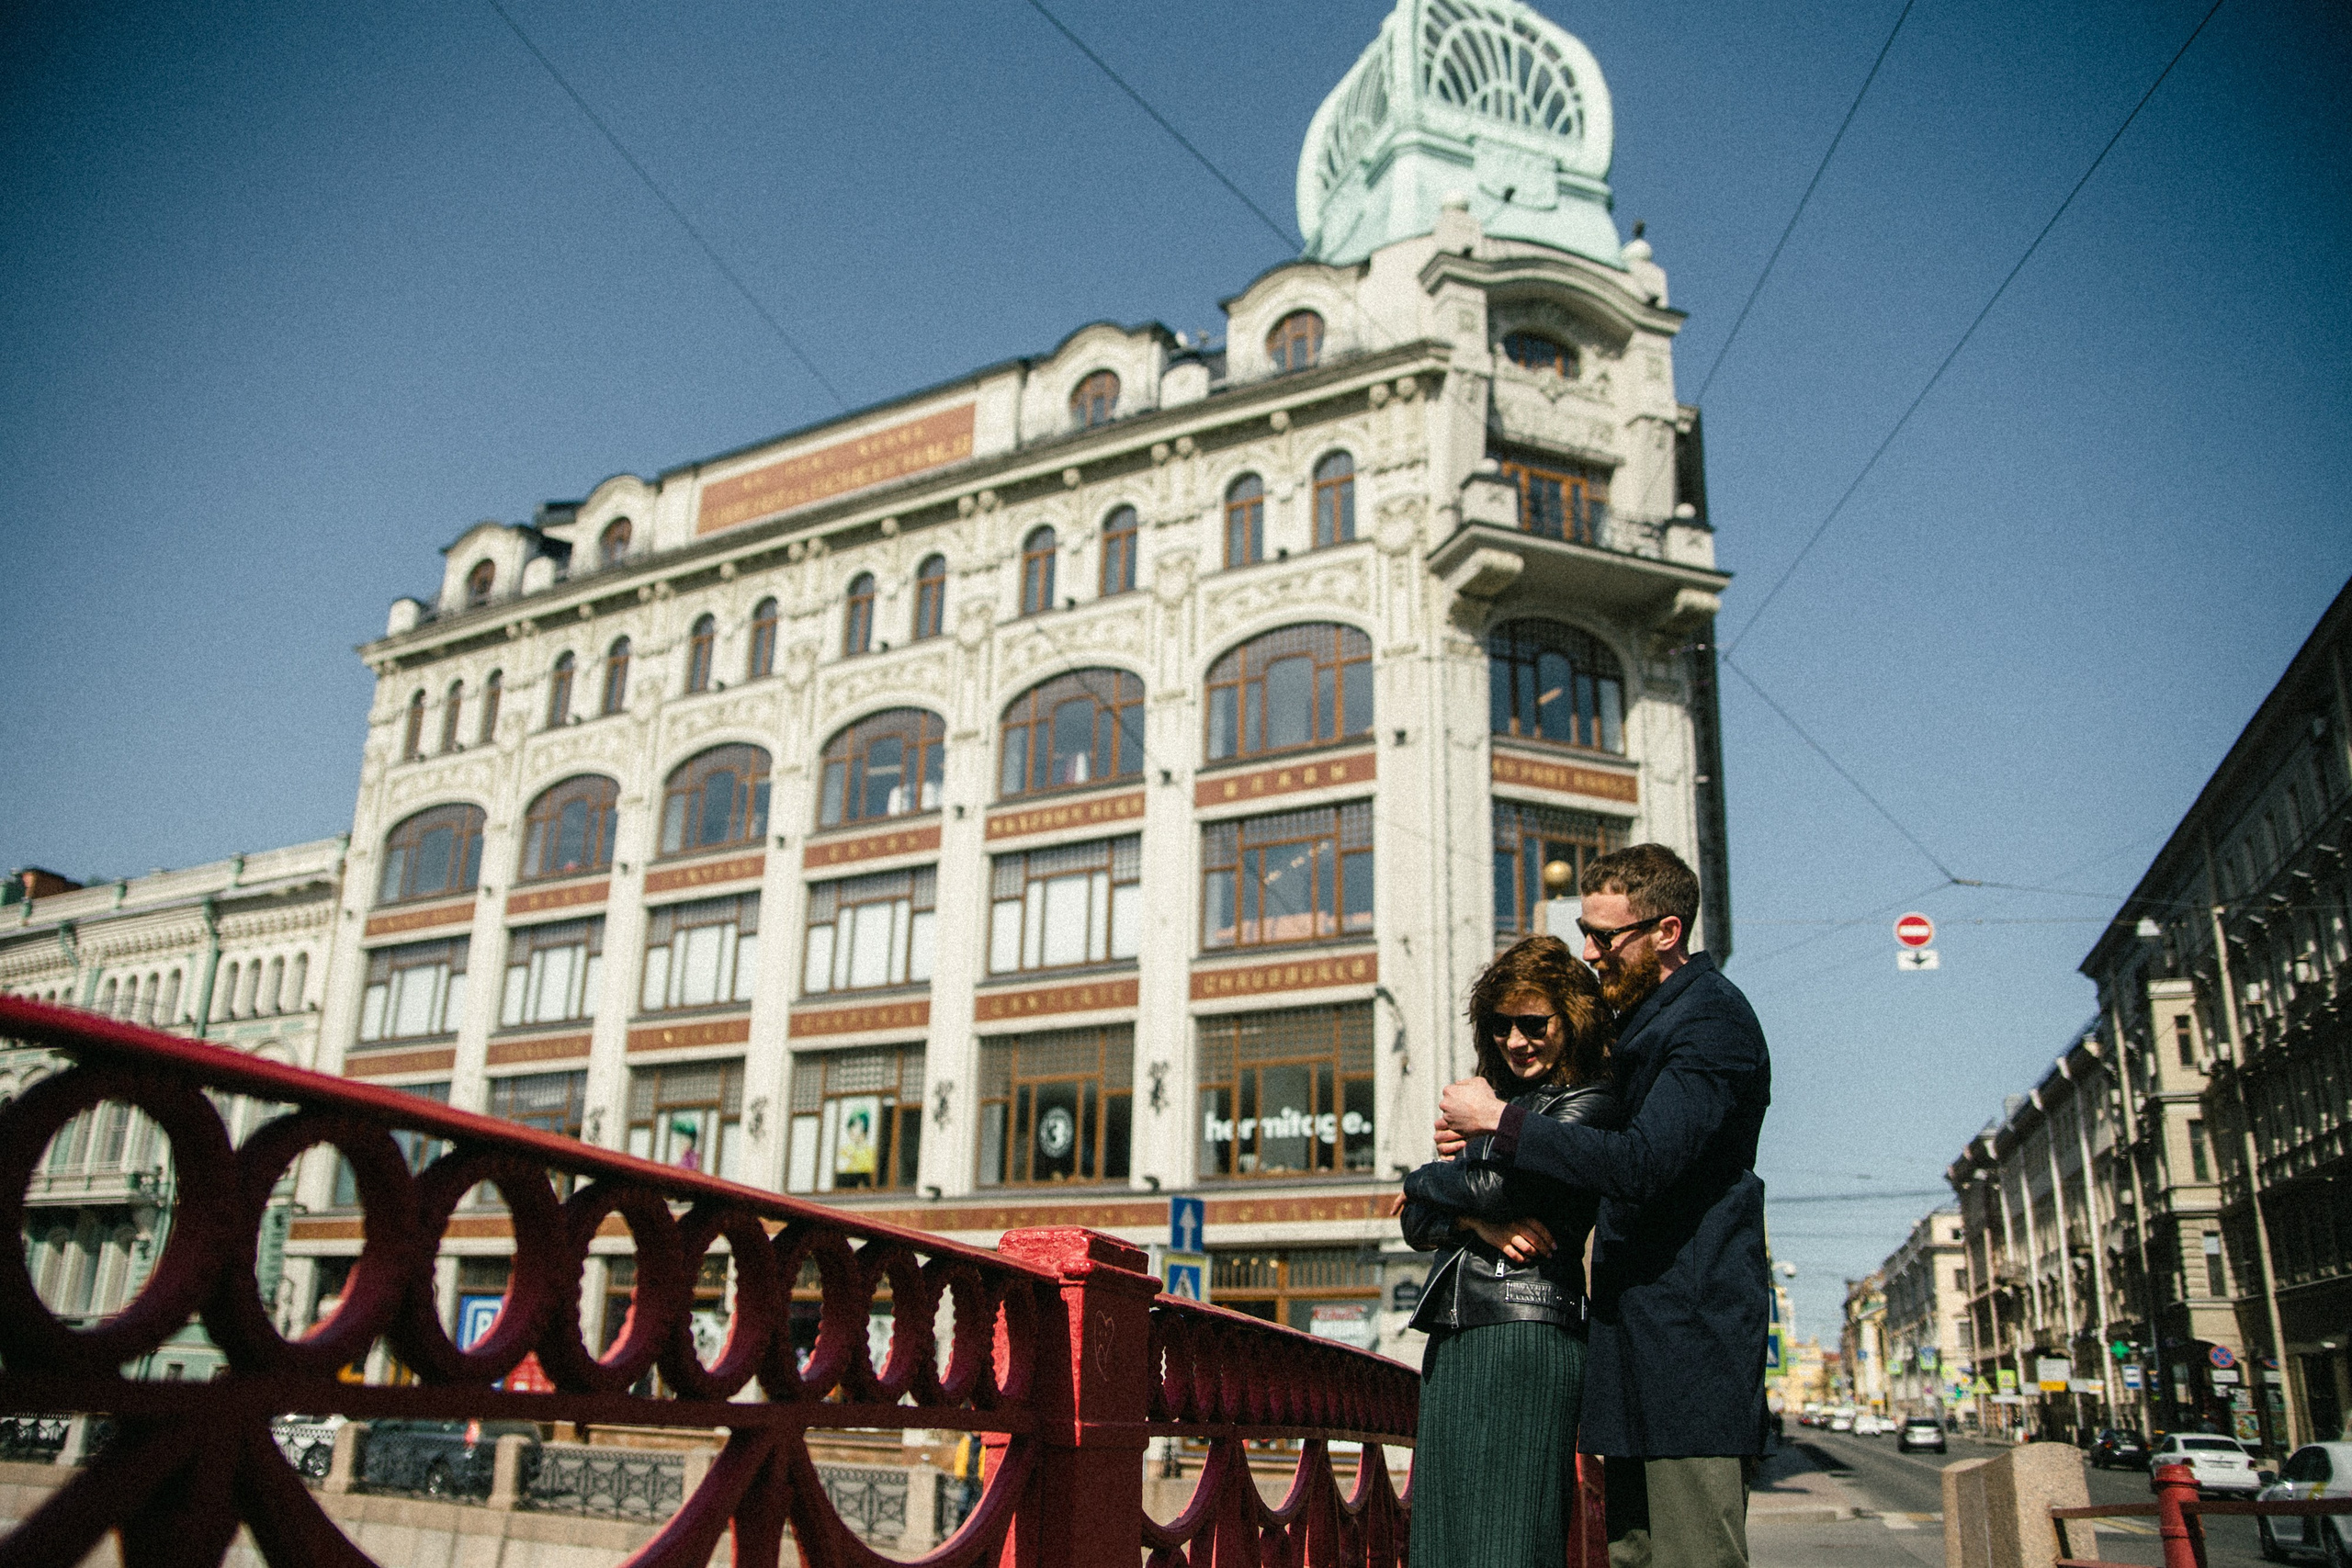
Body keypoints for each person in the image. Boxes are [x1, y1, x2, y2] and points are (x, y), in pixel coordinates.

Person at [1437, 844, 1770, 1568]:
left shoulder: (1711, 1023)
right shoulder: (1647, 1023)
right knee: (1635, 1555)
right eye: (1585, 931)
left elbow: (1643, 1163)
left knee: (1691, 1557)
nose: (1590, 952)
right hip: (1635, 1340)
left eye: (1605, 936)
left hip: (1691, 1344)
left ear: (1667, 931)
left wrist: (1502, 1122)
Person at [1395, 934, 1623, 1567]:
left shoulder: (1589, 1100)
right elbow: (1419, 1223)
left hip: (1525, 1334)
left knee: (1508, 1540)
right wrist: (1471, 1217)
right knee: (1441, 1541)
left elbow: (1493, 1186)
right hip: (1458, 1330)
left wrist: (1422, 1179)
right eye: (1501, 1025)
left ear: (1570, 1019)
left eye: (1533, 1023)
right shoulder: (1501, 1105)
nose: (1515, 1040)